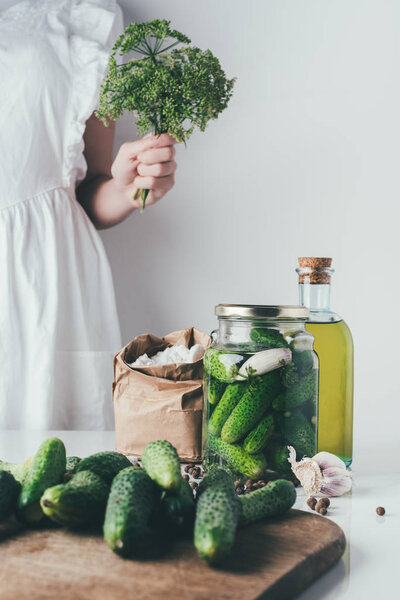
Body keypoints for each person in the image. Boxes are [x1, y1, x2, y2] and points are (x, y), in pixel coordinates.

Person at [0, 0, 177, 429]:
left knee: (53, 478)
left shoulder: (81, 12)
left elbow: (89, 191)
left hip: (43, 283)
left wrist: (128, 189)